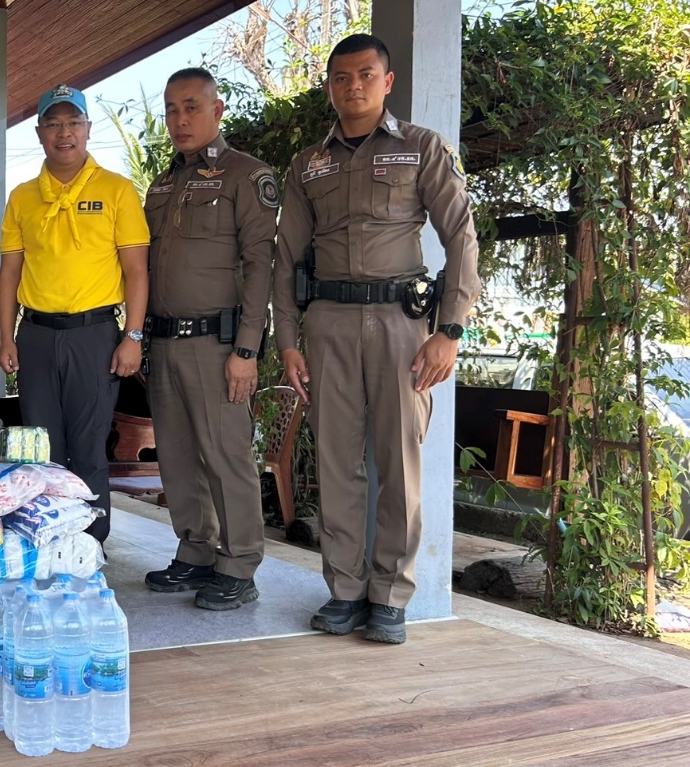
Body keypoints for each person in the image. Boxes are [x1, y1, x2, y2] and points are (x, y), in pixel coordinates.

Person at [272, 34, 481, 644]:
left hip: (401, 325)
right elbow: (285, 258)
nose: (353, 86)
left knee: (399, 462)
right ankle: (344, 590)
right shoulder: (308, 164)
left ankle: (389, 596)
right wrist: (287, 340)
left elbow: (461, 236)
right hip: (328, 324)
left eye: (365, 75)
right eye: (341, 77)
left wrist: (449, 330)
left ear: (387, 82)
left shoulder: (422, 148)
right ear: (330, 87)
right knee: (337, 463)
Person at [140, 68, 279, 611]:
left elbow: (260, 264)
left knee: (226, 456)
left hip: (218, 345)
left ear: (217, 111)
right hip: (165, 342)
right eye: (172, 109)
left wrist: (247, 349)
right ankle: (195, 550)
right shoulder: (162, 184)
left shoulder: (246, 174)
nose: (180, 119)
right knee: (176, 456)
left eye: (192, 107)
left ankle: (239, 564)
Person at [0, 84, 150, 544]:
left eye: (73, 123)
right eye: (53, 124)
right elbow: (9, 274)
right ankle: (47, 544)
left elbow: (137, 271)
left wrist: (133, 336)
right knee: (42, 450)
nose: (64, 133)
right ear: (39, 133)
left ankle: (90, 547)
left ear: (87, 129)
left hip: (95, 334)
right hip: (37, 336)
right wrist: (6, 337)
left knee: (88, 448)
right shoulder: (23, 196)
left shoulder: (117, 190)